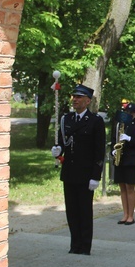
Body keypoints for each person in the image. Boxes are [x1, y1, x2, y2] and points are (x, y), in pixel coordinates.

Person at [51, 84, 105, 255]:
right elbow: (62, 141)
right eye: (74, 97)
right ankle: (74, 244)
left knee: (84, 210)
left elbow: (99, 151)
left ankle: (85, 246)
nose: (75, 99)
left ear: (87, 101)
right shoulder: (66, 119)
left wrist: (96, 176)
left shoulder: (95, 121)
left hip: (86, 173)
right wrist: (57, 150)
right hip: (69, 172)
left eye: (79, 97)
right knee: (72, 211)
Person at [111, 102, 135, 225]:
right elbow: (112, 139)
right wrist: (113, 151)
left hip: (131, 159)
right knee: (122, 187)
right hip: (120, 158)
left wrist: (129, 139)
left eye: (131, 113)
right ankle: (124, 214)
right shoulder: (118, 124)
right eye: (127, 112)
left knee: (130, 187)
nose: (128, 115)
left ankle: (131, 215)